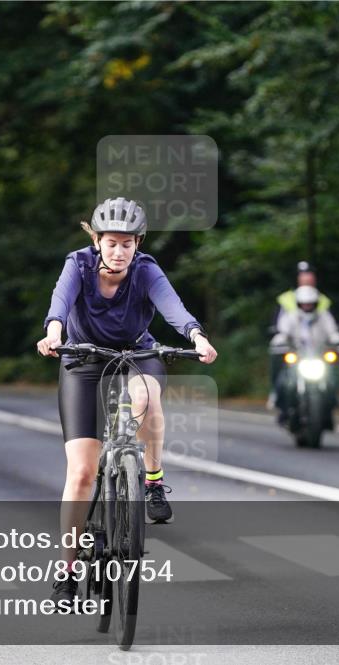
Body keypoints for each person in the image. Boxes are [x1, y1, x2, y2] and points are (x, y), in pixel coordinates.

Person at [37, 196, 218, 605]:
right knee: (81, 472)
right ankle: (66, 572)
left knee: (150, 397)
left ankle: (151, 482)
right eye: (111, 242)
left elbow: (172, 305)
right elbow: (60, 303)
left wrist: (196, 336)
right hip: (83, 358)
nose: (119, 252)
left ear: (138, 243)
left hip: (137, 353)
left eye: (128, 243)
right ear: (97, 240)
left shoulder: (146, 269)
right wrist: (53, 332)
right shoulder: (78, 264)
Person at [269, 284, 339, 428]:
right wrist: (280, 340)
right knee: (284, 383)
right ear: (298, 304)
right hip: (298, 359)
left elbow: (332, 331)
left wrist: (337, 339)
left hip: (319, 358)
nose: (307, 307)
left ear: (316, 304)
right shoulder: (291, 317)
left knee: (332, 382)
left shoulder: (324, 317)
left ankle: (329, 411)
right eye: (304, 304)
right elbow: (283, 333)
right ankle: (284, 411)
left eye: (310, 304)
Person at [267, 261, 334, 409]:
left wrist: (336, 337)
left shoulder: (322, 299)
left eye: (309, 275)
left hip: (317, 350)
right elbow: (278, 322)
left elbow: (330, 323)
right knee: (277, 361)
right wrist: (280, 336)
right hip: (294, 348)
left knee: (333, 367)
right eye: (303, 276)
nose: (307, 279)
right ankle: (274, 392)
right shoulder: (286, 299)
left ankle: (333, 397)